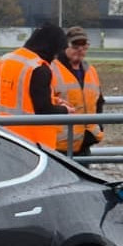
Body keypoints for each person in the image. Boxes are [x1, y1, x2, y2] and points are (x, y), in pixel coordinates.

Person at [0, 23, 69, 150]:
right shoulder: (39, 68)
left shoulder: (7, 60)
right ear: (51, 47)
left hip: (8, 134)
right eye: (56, 52)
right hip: (35, 141)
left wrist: (53, 100)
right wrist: (65, 110)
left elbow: (21, 93)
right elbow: (44, 110)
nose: (56, 57)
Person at [51, 26, 105, 157]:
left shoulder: (90, 71)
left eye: (84, 46)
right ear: (65, 46)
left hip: (85, 142)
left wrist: (98, 128)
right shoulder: (51, 69)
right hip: (59, 145)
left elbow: (99, 102)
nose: (80, 49)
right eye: (75, 45)